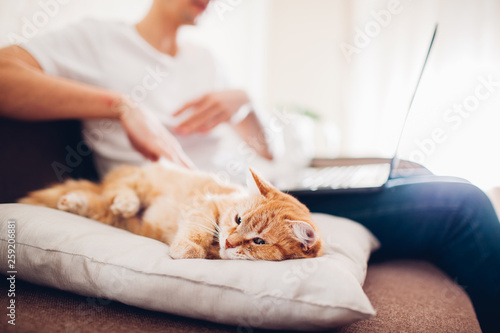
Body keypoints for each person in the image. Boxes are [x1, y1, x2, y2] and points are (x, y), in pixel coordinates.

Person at [0, 0, 498, 331]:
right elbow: (4, 76)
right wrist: (120, 105)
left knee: (424, 178)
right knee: (462, 204)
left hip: (268, 194)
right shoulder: (96, 39)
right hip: (190, 195)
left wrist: (243, 104)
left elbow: (266, 154)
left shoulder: (203, 59)